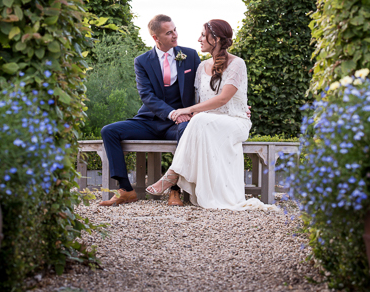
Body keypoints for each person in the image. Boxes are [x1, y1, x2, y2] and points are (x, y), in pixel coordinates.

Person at [146, 19, 275, 211]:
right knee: (199, 119)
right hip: (207, 122)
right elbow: (199, 103)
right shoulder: (201, 67)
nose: (199, 39)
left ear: (216, 39)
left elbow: (223, 99)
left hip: (235, 122)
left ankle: (172, 174)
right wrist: (189, 112)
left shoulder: (237, 64)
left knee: (199, 119)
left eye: (203, 35)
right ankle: (174, 176)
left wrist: (188, 110)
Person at [99, 14, 201, 207]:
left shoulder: (190, 56)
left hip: (179, 124)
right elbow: (146, 95)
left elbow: (203, 88)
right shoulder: (142, 61)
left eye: (175, 30)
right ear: (156, 38)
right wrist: (173, 113)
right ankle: (125, 190)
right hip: (149, 120)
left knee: (187, 130)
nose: (175, 35)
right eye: (168, 32)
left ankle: (175, 191)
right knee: (109, 131)